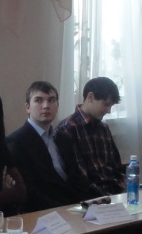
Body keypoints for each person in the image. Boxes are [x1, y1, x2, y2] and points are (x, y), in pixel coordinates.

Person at [6, 81, 89, 212]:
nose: (46, 106)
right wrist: (64, 210)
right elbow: (29, 190)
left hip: (74, 208)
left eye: (51, 100)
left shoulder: (64, 138)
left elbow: (76, 177)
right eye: (38, 100)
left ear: (57, 106)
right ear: (27, 107)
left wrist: (83, 205)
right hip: (41, 212)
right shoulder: (16, 142)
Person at [55, 76, 126, 197]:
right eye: (106, 104)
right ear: (90, 97)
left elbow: (116, 167)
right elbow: (79, 178)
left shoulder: (103, 128)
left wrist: (123, 189)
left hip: (114, 193)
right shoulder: (68, 128)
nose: (109, 111)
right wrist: (108, 197)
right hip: (92, 198)